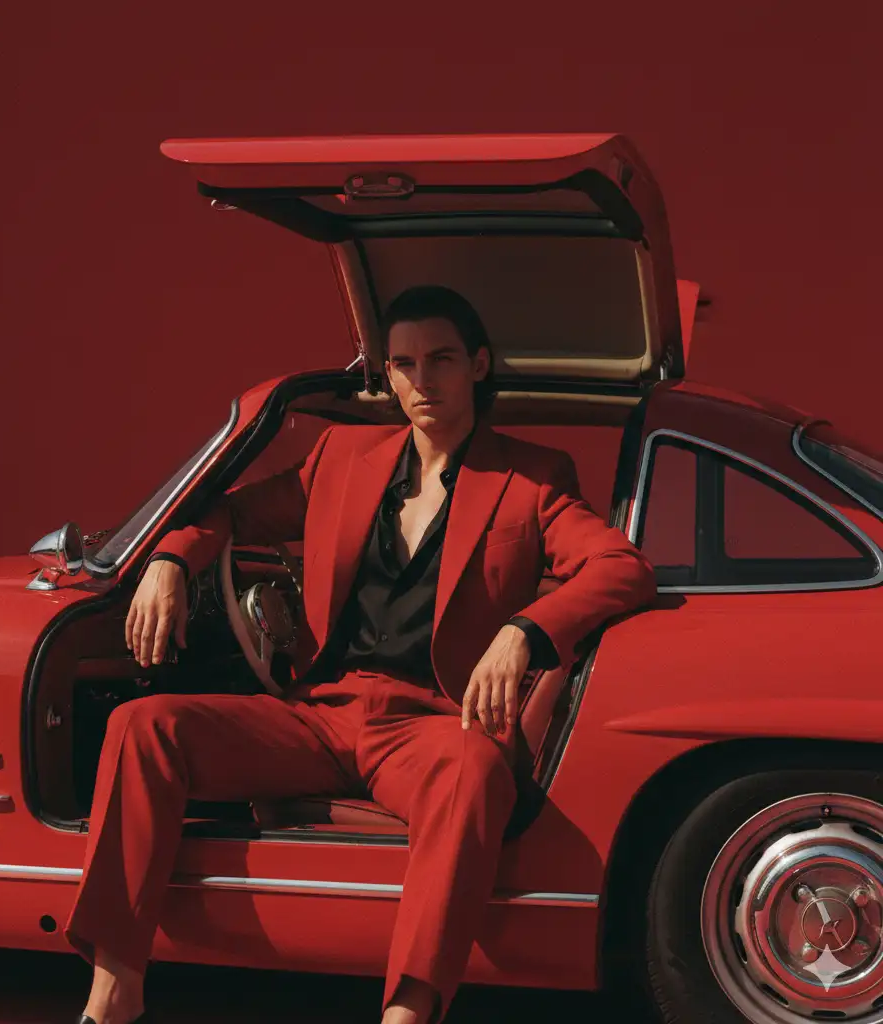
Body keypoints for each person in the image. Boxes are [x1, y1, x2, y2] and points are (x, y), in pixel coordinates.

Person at [64, 285, 657, 1024]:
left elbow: (621, 567)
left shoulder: (531, 479)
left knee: (475, 769)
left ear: (477, 365)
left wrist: (525, 631)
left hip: (432, 726)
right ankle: (113, 993)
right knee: (143, 726)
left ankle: (407, 1014)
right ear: (387, 376)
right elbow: (233, 508)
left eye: (440, 359)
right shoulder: (342, 458)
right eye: (403, 364)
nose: (422, 380)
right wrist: (172, 562)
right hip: (318, 714)